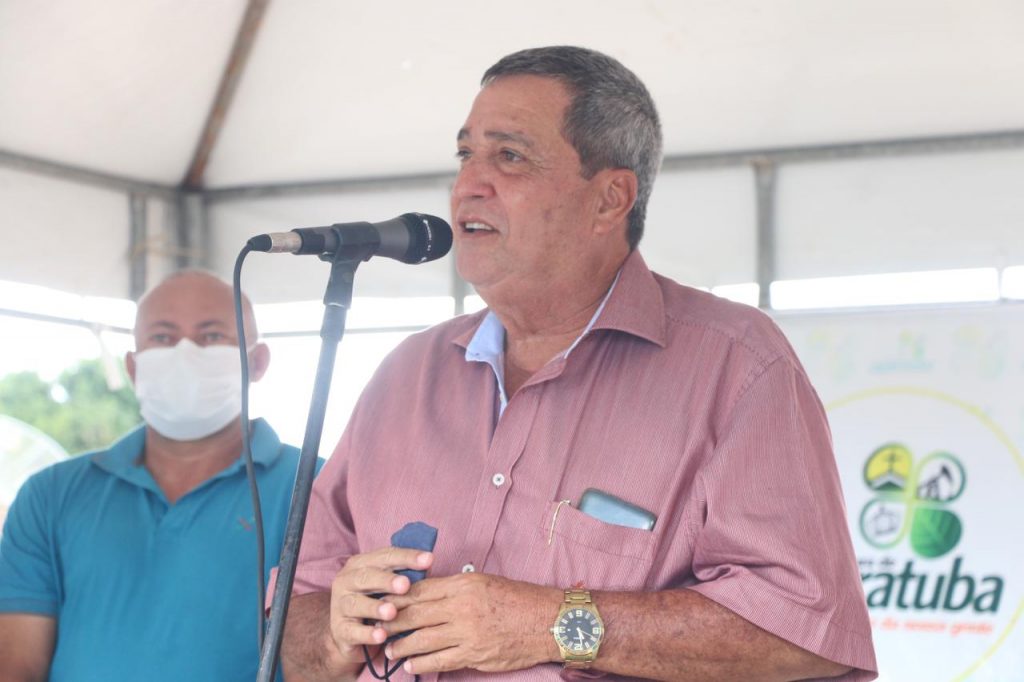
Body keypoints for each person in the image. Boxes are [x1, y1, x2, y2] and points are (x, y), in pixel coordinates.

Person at [280, 46, 878, 681]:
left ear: (610, 199)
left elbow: (805, 633)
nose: (468, 185)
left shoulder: (737, 365)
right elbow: (290, 627)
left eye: (510, 157)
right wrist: (335, 628)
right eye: (465, 155)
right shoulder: (405, 374)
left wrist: (552, 623)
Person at [0, 270, 317, 681]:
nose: (185, 353)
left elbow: (331, 656)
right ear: (133, 367)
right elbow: (16, 664)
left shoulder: (318, 488)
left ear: (257, 362)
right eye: (163, 337)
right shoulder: (50, 495)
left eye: (211, 336)